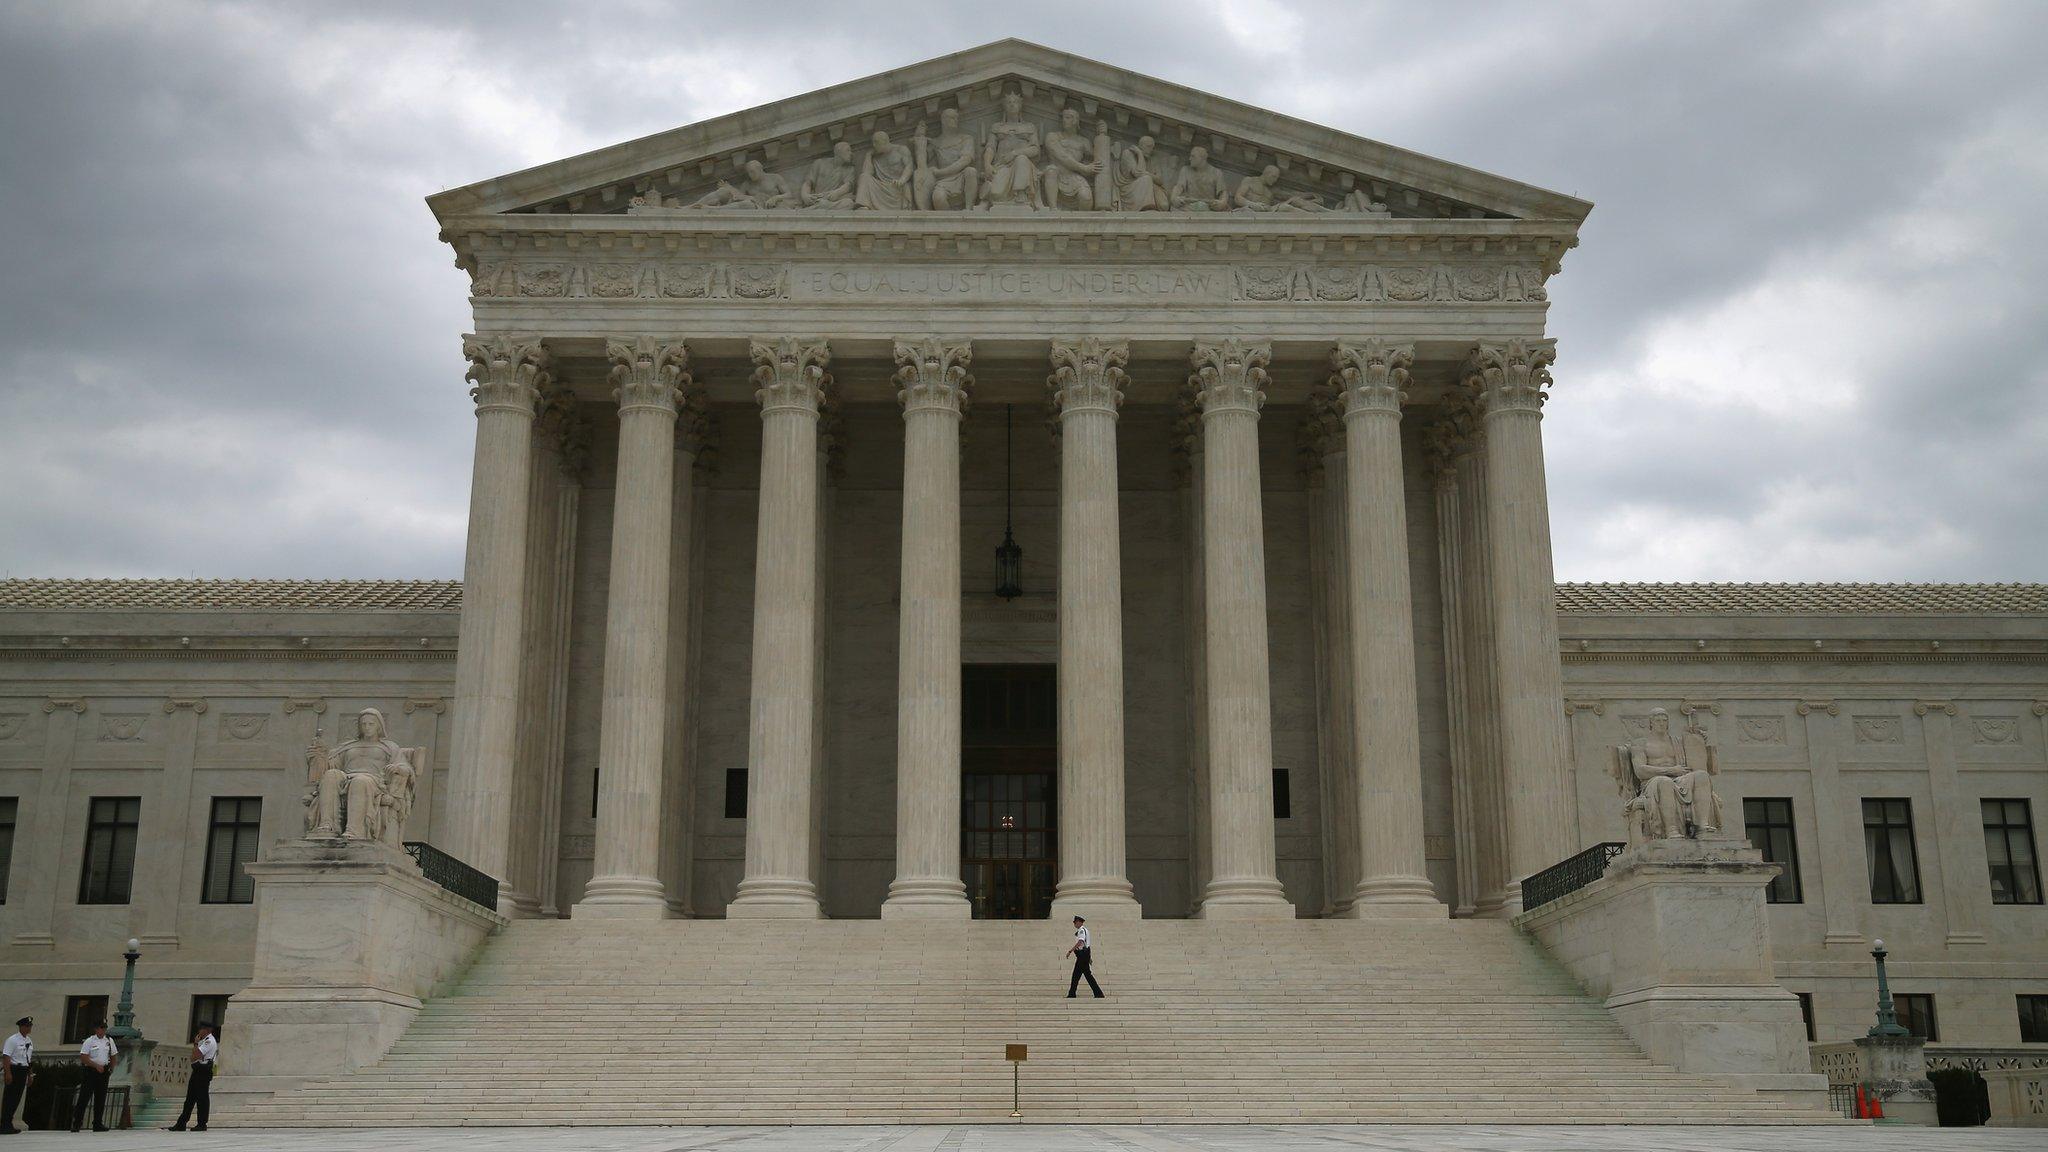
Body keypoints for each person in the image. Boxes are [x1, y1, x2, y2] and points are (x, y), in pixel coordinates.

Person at [167, 1022, 217, 1132]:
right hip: (198, 1070)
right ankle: (181, 1123)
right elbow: (193, 1058)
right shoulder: (204, 1041)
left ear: (207, 1030)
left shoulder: (209, 1041)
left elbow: (195, 1055)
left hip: (203, 1070)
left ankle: (202, 1123)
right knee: (190, 1098)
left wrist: (195, 1044)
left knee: (202, 1098)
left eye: (202, 1029)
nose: (199, 1031)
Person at [72, 1021, 116, 1132]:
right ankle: (77, 1123)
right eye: (101, 1028)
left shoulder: (109, 1041)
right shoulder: (90, 1041)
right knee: (84, 1097)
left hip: (104, 1071)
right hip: (91, 1071)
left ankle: (97, 1123)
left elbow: (113, 1055)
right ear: (96, 1029)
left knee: (100, 1098)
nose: (102, 1030)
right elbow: (84, 1057)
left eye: (104, 1028)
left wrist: (111, 1068)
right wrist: (95, 1065)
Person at [0, 1017, 31, 1134]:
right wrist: (8, 1073)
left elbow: (28, 1058)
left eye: (30, 1026)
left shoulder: (28, 1041)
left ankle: (9, 1123)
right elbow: (6, 1057)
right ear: (21, 1027)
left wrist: (30, 1074)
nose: (29, 1028)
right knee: (9, 1098)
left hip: (23, 1070)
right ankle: (4, 1124)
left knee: (16, 1098)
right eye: (27, 1026)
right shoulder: (12, 1040)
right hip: (14, 1069)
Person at [1065, 916, 1103, 999]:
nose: (1074, 924)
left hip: (1082, 955)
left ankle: (1098, 993)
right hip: (1084, 955)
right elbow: (1087, 945)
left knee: (1081, 975)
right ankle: (1072, 993)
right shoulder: (1085, 930)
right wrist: (1089, 957)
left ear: (1079, 922)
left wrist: (1070, 951)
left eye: (1075, 922)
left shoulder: (1082, 930)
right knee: (1080, 975)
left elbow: (1081, 942)